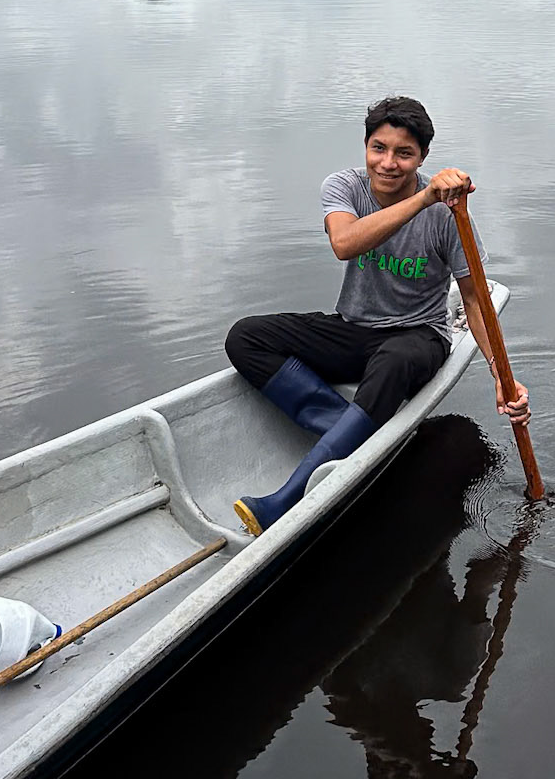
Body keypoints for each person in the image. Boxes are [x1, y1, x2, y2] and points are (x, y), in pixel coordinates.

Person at [225, 94, 531, 537]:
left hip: (417, 338)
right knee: (245, 338)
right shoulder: (345, 187)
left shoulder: (448, 216)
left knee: (393, 360)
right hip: (353, 330)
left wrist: (502, 376)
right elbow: (345, 243)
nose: (388, 163)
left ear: (422, 156)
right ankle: (353, 431)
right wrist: (425, 197)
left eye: (404, 153)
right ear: (365, 148)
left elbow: (475, 299)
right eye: (379, 149)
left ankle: (284, 501)